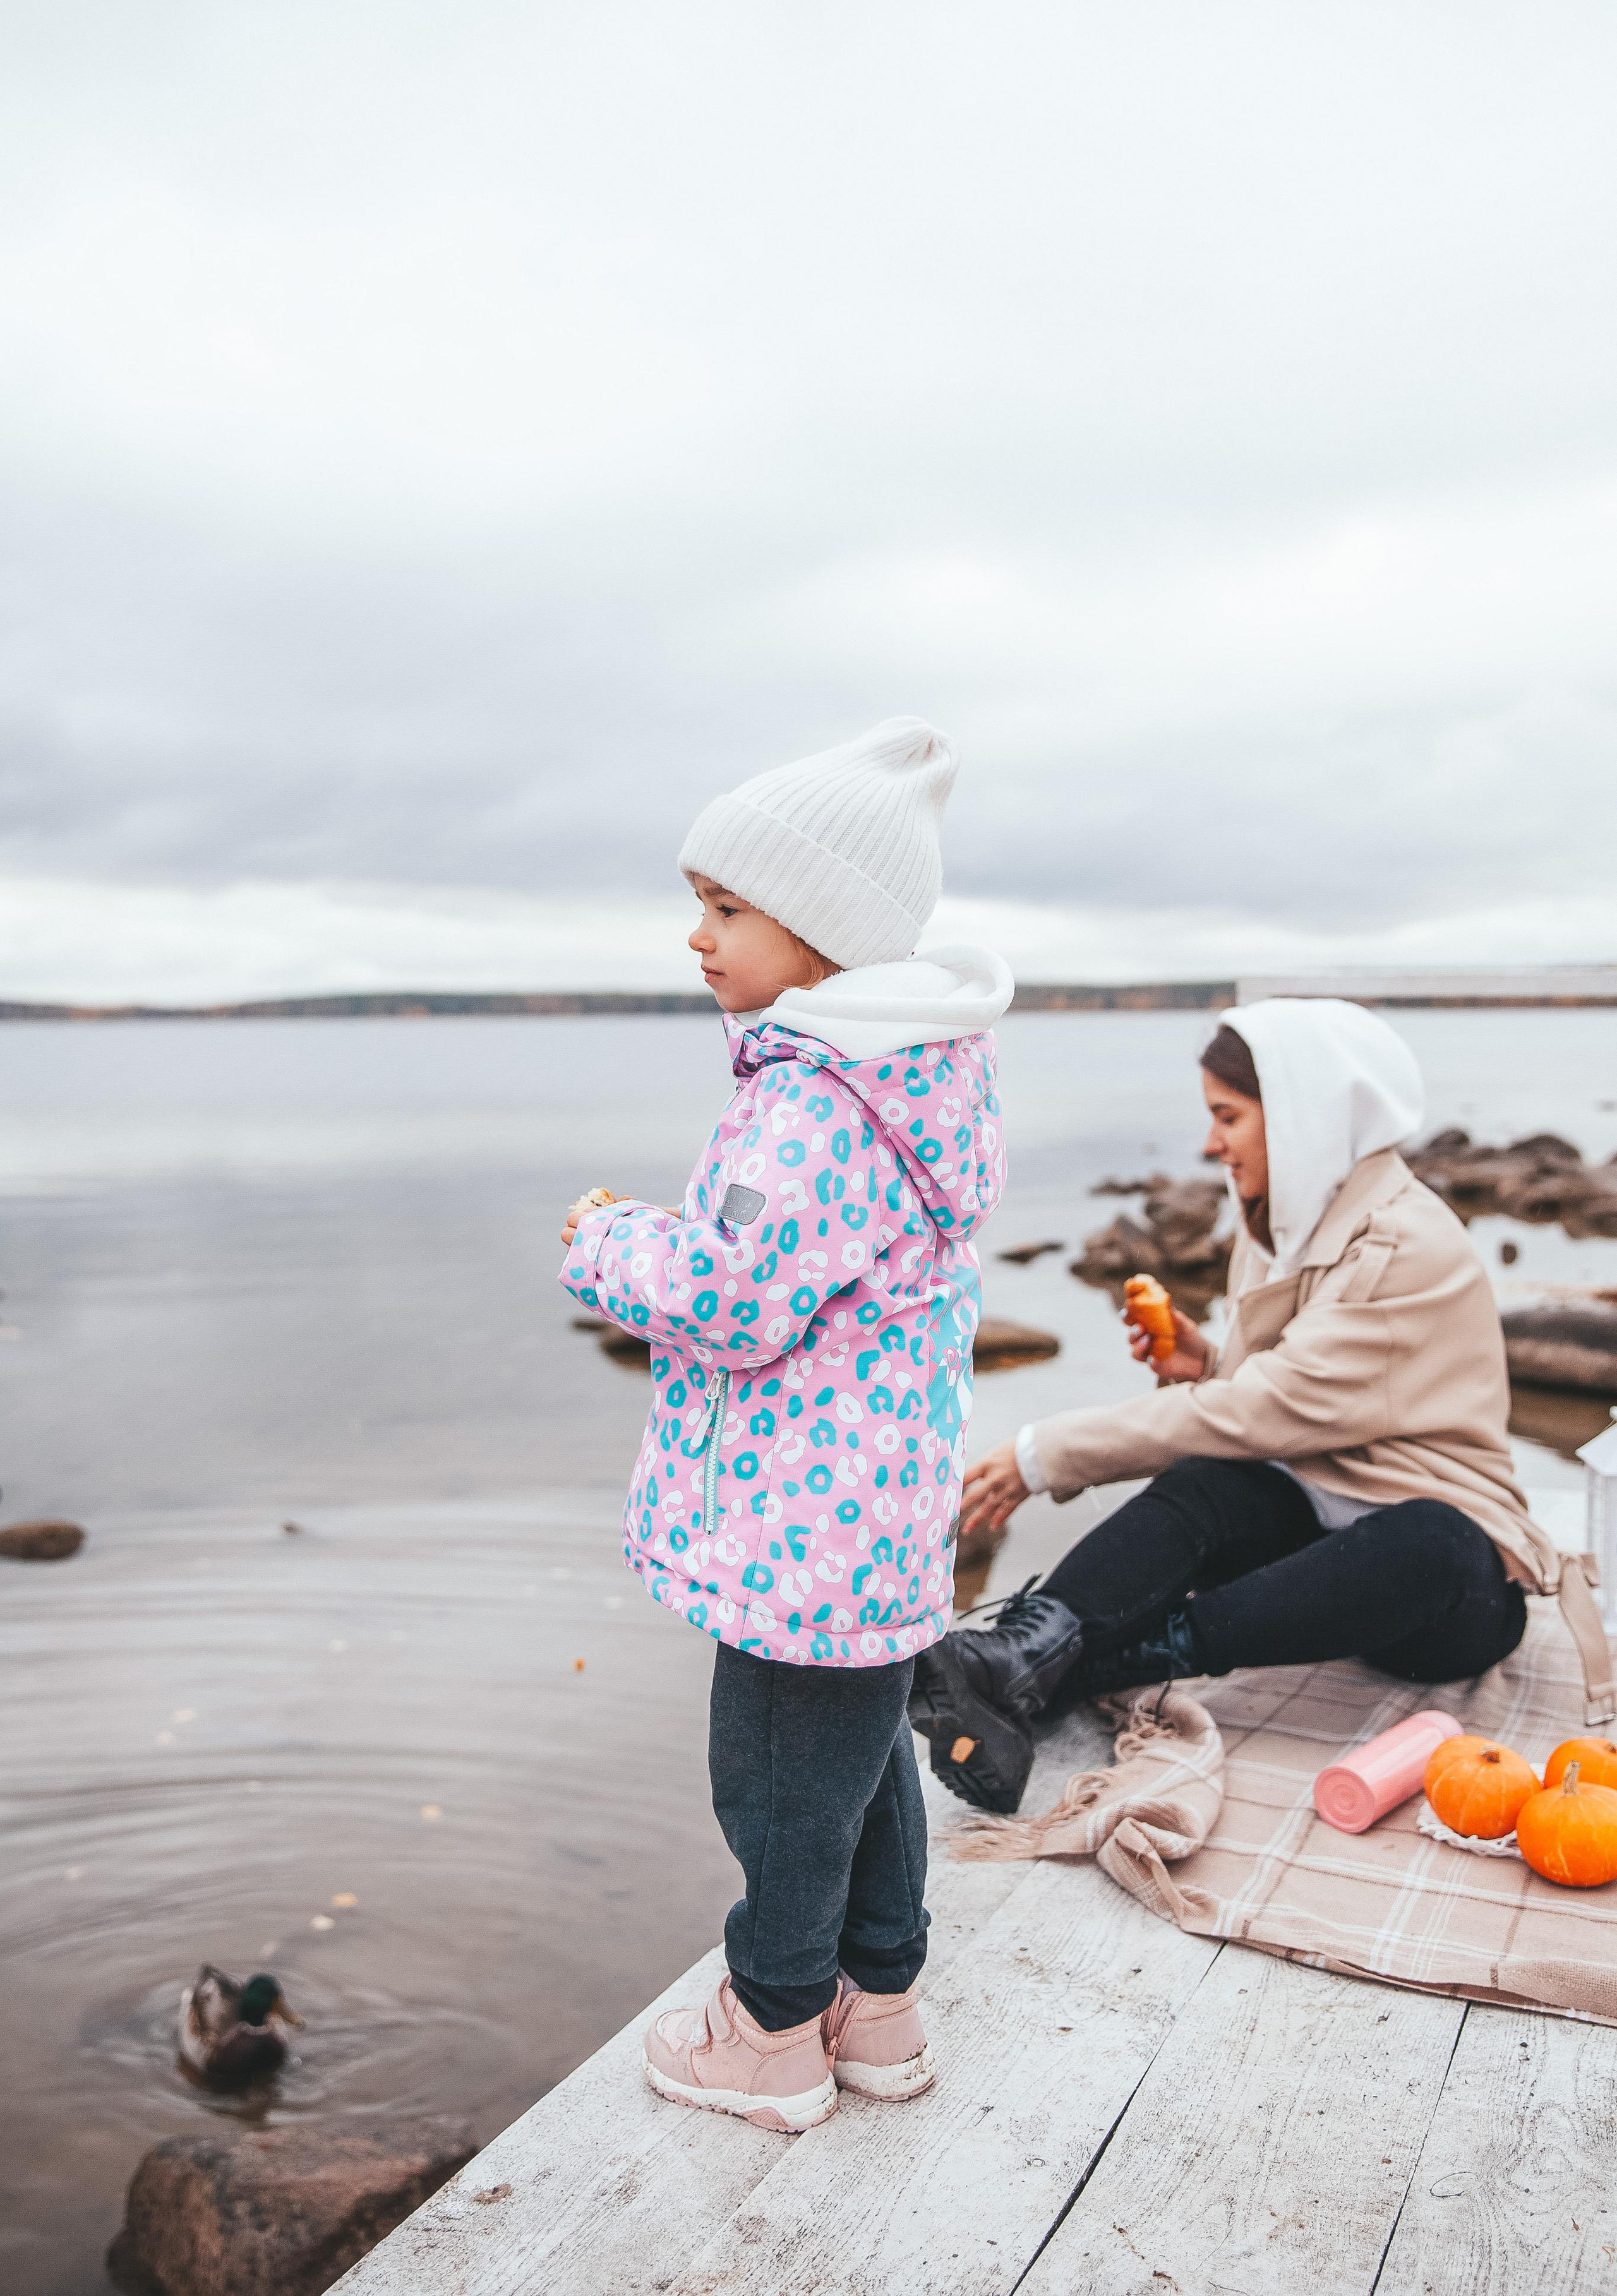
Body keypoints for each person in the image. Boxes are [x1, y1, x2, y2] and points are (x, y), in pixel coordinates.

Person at [560, 717, 1012, 2131]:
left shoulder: (814, 1106)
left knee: (772, 1782)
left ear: (819, 929)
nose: (695, 936)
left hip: (788, 1529)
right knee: (866, 1754)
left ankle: (767, 2028)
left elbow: (731, 1291)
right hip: (868, 1515)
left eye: (724, 907)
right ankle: (874, 2008)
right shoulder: (911, 1087)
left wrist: (604, 1240)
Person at [909, 996, 1612, 1817]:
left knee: (1434, 1543)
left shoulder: (1406, 1244)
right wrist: (1203, 1358)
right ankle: (1023, 1651)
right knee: (1213, 1483)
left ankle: (1068, 1671)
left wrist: (1045, 1452)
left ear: (1301, 1117)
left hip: (1441, 1596)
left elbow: (1271, 1406)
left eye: (1228, 1117)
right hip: (1317, 1525)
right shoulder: (1280, 1219)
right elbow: (1287, 1393)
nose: (1210, 1144)